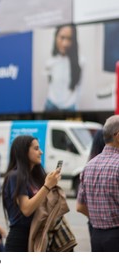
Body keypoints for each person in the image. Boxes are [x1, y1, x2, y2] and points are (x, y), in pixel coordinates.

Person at [2, 135, 61, 252]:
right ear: (23, 152)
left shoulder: (34, 176)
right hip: (20, 239)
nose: (41, 152)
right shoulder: (15, 176)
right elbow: (26, 209)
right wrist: (47, 186)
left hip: (38, 236)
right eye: (36, 148)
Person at [76, 116, 119, 252]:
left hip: (96, 236)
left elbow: (80, 206)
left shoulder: (89, 166)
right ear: (118, 136)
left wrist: (99, 219)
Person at [44, 24, 83, 112]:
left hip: (70, 107)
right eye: (62, 37)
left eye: (69, 39)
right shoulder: (50, 61)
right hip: (51, 105)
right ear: (56, 37)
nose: (65, 43)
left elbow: (80, 87)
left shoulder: (81, 61)